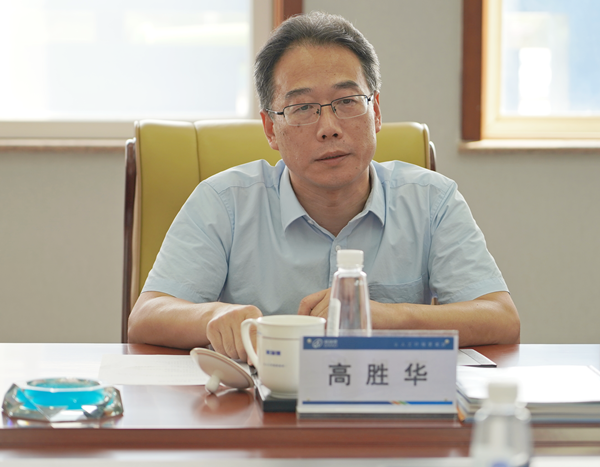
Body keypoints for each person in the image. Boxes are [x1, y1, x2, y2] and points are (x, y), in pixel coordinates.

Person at [128, 12, 520, 359]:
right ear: (271, 129)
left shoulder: (432, 200)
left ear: (375, 111)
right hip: (258, 407)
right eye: (302, 108)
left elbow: (500, 318)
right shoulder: (223, 202)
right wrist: (213, 315)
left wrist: (383, 316)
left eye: (347, 102)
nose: (329, 128)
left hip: (384, 403)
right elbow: (146, 315)